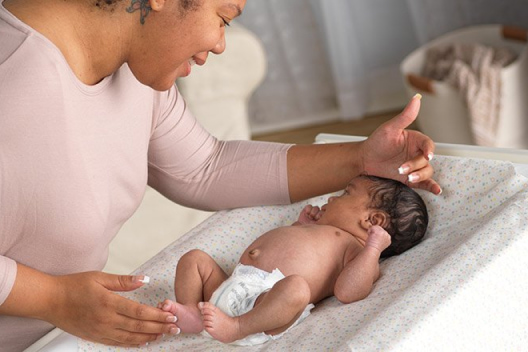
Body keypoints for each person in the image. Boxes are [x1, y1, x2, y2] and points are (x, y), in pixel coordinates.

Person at [0, 0, 441, 350]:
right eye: (224, 18)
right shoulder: (14, 82)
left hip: (62, 338)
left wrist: (361, 160)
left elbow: (205, 167)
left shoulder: (134, 69)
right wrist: (52, 299)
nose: (219, 43)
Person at [159, 175, 428, 345]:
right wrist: (299, 225)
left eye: (347, 193)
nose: (333, 197)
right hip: (232, 285)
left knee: (297, 287)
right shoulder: (321, 229)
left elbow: (348, 292)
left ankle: (237, 328)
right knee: (194, 259)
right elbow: (289, 247)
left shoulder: (356, 249)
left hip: (267, 307)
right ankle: (193, 311)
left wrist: (373, 249)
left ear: (372, 220)